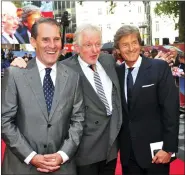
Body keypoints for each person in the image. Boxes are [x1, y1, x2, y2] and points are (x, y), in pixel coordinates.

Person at [10, 23, 122, 175]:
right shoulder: (66, 69)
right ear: (76, 47)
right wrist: (19, 65)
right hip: (84, 152)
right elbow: (41, 69)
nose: (95, 50)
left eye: (97, 44)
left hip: (111, 148)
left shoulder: (108, 61)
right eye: (88, 45)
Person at [1, 17, 85, 175]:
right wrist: (31, 156)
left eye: (56, 39)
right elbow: (4, 121)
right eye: (45, 39)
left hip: (62, 168)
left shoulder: (73, 77)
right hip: (22, 167)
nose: (52, 46)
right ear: (33, 41)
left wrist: (62, 155)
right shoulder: (15, 74)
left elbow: (78, 121)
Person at [115, 25, 179, 175]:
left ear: (140, 44)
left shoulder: (159, 68)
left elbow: (171, 110)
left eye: (134, 42)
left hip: (156, 153)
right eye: (125, 44)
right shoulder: (116, 73)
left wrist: (168, 149)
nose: (131, 48)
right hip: (128, 154)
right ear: (118, 49)